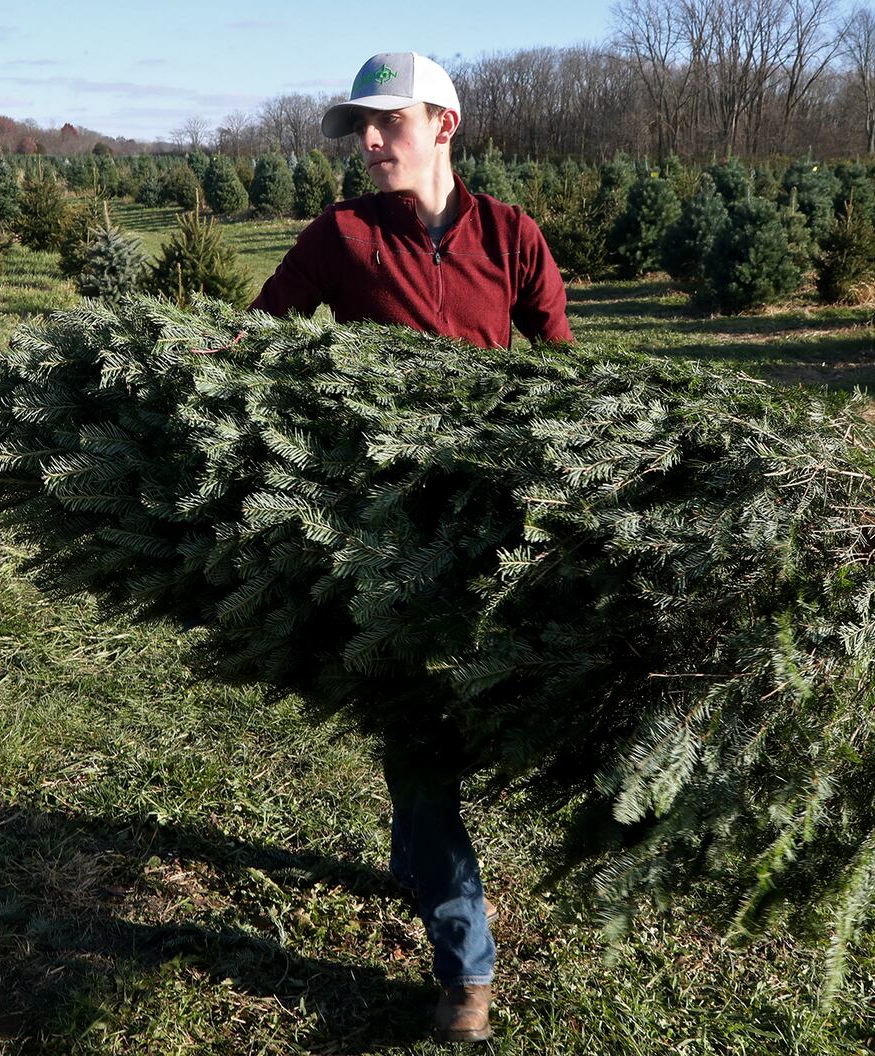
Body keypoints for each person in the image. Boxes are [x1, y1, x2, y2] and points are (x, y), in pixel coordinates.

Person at [250, 51, 573, 1045]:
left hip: (487, 526)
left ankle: (418, 859)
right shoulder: (339, 235)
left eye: (387, 122)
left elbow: (565, 375)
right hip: (384, 534)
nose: (368, 142)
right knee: (418, 737)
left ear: (444, 125)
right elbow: (259, 336)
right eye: (359, 128)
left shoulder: (512, 236)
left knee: (454, 732)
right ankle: (465, 967)